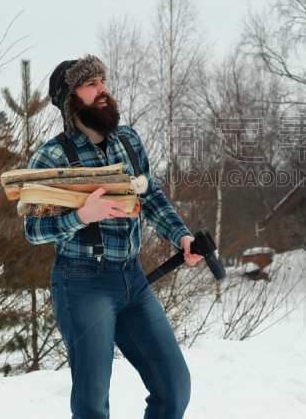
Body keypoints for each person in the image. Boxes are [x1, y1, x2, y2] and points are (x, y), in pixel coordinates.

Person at [24, 55, 202, 419]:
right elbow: (33, 230)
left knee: (174, 386)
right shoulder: (51, 157)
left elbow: (150, 196)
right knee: (92, 403)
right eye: (91, 84)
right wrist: (80, 217)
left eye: (102, 80)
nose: (103, 88)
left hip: (132, 280)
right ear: (70, 100)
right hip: (81, 283)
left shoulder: (128, 141)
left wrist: (180, 237)